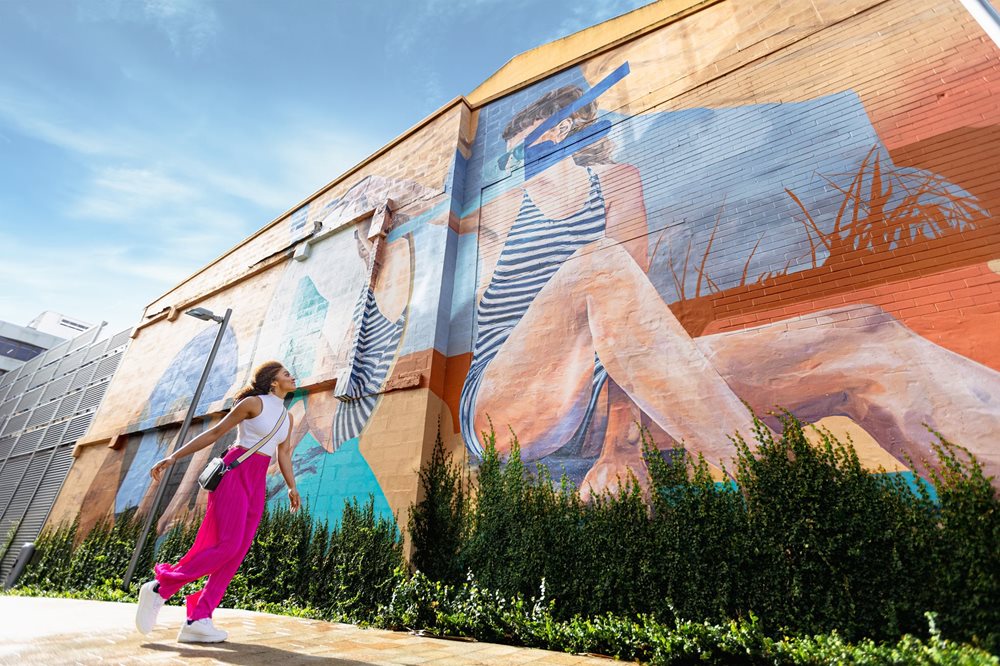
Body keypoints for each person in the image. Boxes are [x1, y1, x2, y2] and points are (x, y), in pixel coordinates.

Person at [134, 361, 300, 643]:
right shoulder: (253, 404)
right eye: (285, 373)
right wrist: (173, 457)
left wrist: (291, 486)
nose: (291, 376)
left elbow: (283, 453)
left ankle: (199, 618)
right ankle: (161, 587)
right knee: (229, 545)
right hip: (235, 471)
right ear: (273, 382)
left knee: (236, 553)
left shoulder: (287, 417)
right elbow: (215, 433)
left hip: (256, 481)